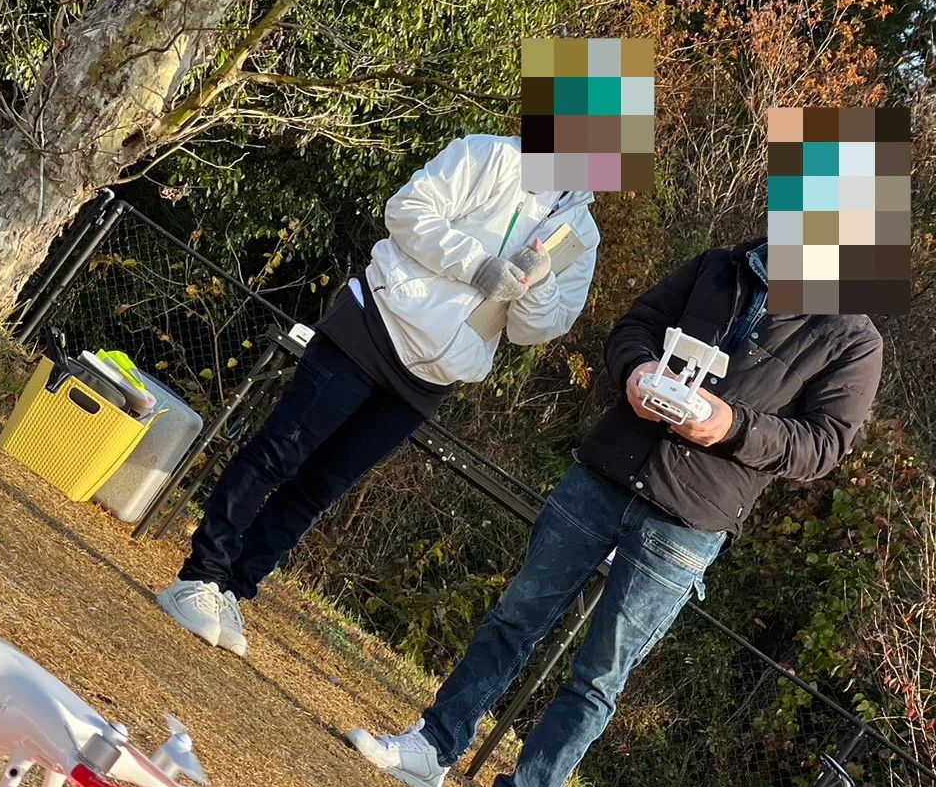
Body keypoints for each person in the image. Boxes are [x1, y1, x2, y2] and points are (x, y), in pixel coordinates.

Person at [348, 239, 883, 787]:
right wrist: (635, 372)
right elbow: (637, 325)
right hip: (606, 471)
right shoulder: (719, 265)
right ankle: (433, 746)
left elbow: (823, 445)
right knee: (515, 618)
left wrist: (733, 426)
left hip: (690, 520)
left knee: (601, 674)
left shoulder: (853, 337)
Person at [156, 135, 602, 656]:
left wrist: (539, 283)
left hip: (433, 376)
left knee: (320, 487)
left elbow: (536, 330)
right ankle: (200, 575)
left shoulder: (583, 236)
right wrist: (478, 265)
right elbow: (407, 210)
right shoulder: (492, 155)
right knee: (279, 452)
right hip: (375, 324)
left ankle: (233, 588)